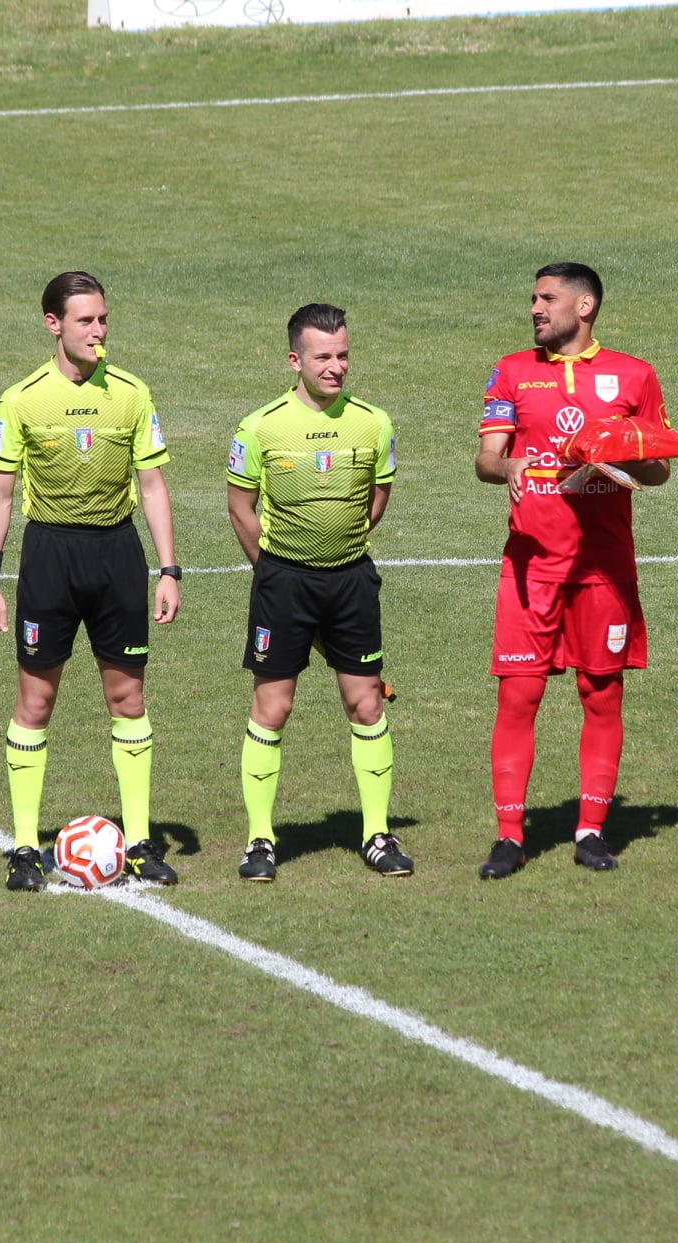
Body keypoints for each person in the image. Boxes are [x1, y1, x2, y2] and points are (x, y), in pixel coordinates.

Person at [0, 271, 182, 891]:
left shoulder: (132, 393)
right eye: (86, 321)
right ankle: (21, 847)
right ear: (54, 325)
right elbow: (1, 494)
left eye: (103, 319)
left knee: (129, 701)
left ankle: (140, 842)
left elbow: (151, 486)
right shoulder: (21, 399)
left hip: (117, 555)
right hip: (50, 557)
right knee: (35, 703)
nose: (99, 331)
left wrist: (169, 569)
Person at [473, 263, 674, 879]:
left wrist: (621, 456)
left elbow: (660, 467)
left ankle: (591, 830)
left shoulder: (634, 376)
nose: (535, 308)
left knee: (600, 692)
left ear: (584, 306)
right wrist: (503, 468)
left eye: (547, 298)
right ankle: (510, 835)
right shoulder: (512, 370)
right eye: (533, 298)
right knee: (519, 695)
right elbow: (486, 457)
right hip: (531, 565)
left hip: (603, 569)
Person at [228, 303, 411, 883]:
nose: (336, 367)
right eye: (323, 357)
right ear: (295, 360)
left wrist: (337, 550)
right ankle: (260, 840)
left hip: (352, 581)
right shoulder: (259, 427)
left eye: (343, 355)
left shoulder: (374, 423)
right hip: (283, 583)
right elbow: (240, 508)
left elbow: (374, 503)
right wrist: (276, 569)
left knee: (366, 704)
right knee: (272, 708)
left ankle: (377, 834)